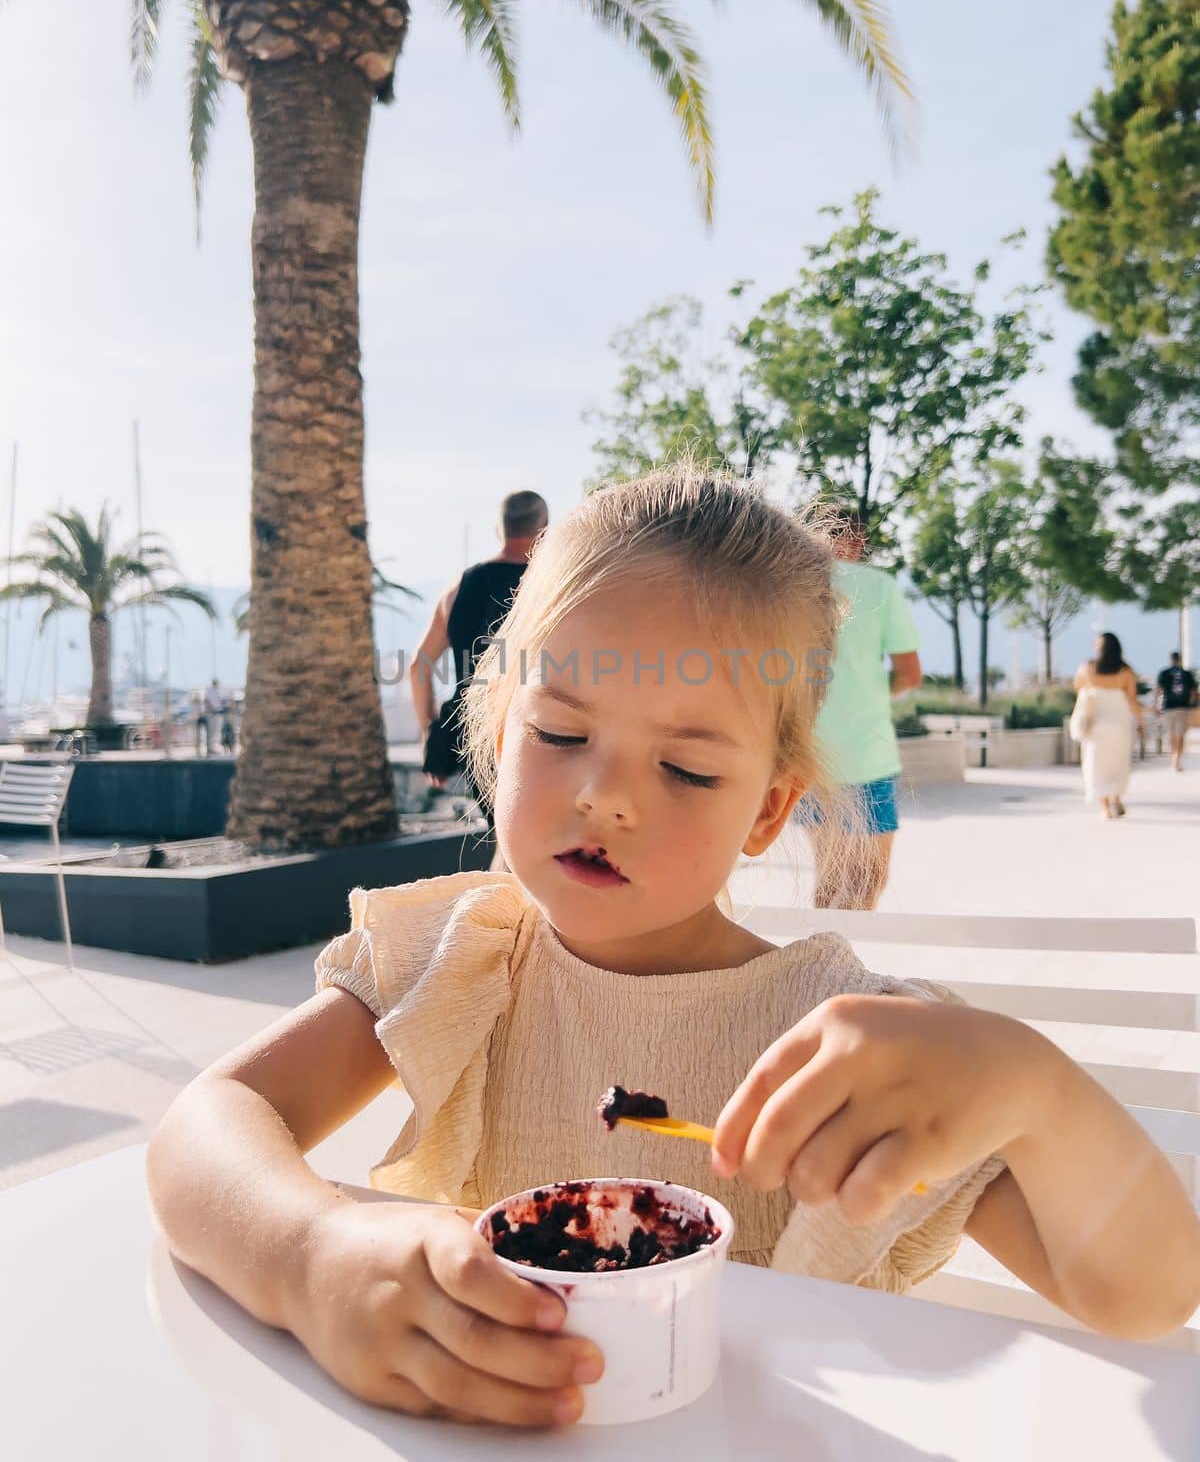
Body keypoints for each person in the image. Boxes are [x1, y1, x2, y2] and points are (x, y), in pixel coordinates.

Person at [147, 465, 1200, 1431]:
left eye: (688, 770)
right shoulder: (460, 955)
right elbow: (204, 1128)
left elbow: (1144, 1295)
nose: (603, 794)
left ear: (767, 809)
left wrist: (1034, 1086)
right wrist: (311, 1256)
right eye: (560, 734)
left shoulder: (849, 1052)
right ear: (500, 724)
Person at [409, 491, 549, 863]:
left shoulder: (458, 589)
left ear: (499, 529)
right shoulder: (551, 586)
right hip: (542, 730)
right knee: (532, 849)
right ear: (544, 529)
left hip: (477, 733)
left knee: (507, 836)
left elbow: (418, 667)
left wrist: (430, 733)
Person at [799, 507, 922, 909]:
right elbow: (910, 674)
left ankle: (819, 964)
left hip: (809, 752)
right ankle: (841, 966)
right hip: (867, 751)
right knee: (868, 881)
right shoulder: (880, 586)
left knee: (828, 879)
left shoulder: (790, 584)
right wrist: (872, 691)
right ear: (858, 541)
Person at [1072, 634, 1142, 819]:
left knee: (1096, 763)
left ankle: (1104, 807)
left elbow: (1078, 686)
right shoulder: (1126, 671)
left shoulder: (1087, 668)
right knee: (1118, 761)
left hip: (1096, 722)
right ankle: (1116, 798)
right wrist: (1141, 723)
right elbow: (1133, 700)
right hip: (1119, 721)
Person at [1155, 650, 1197, 773]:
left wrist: (1156, 706)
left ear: (1171, 660)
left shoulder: (1164, 673)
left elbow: (1158, 690)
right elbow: (1193, 691)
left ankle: (1174, 759)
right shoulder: (1187, 674)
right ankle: (1176, 760)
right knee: (1180, 736)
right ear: (1179, 660)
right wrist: (1192, 703)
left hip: (1168, 708)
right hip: (1183, 708)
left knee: (1172, 735)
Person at [195, 679, 226, 757]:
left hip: (217, 713)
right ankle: (210, 749)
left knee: (216, 731)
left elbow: (220, 701)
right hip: (210, 713)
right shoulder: (209, 690)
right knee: (210, 732)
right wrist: (212, 709)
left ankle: (213, 748)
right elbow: (207, 701)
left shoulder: (218, 691)